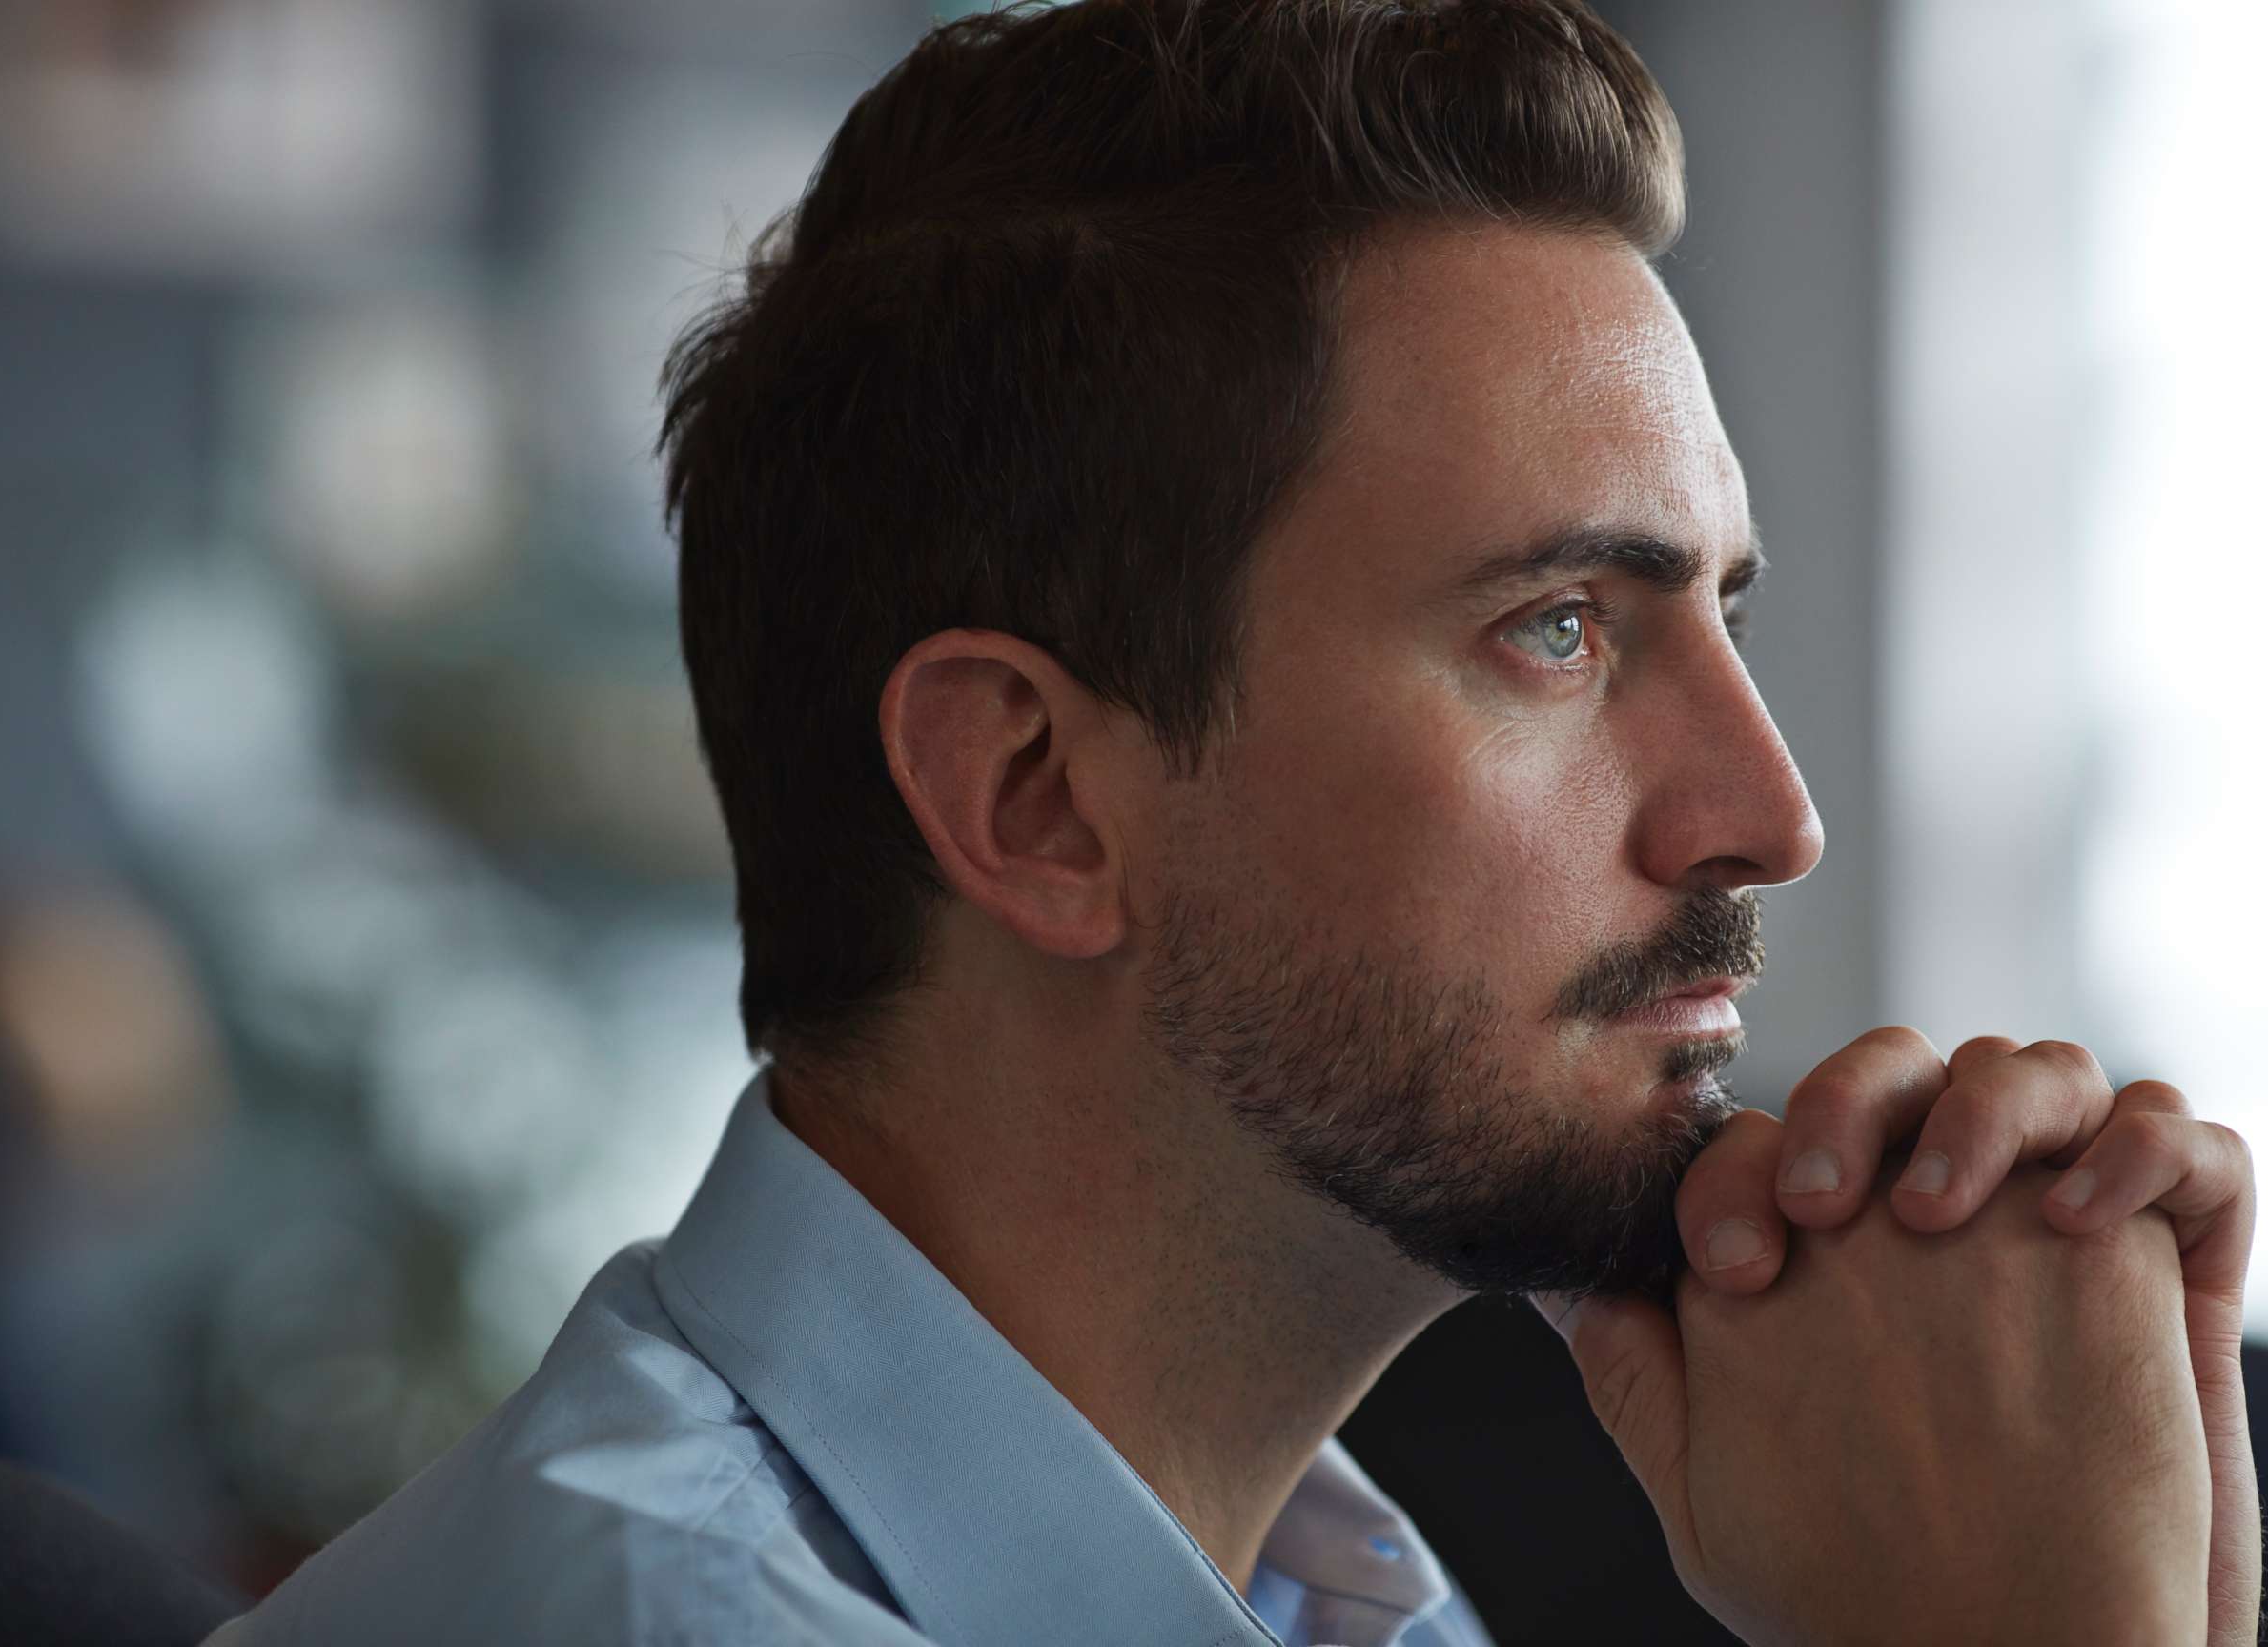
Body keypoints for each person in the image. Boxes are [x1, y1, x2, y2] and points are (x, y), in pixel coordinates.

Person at [204, 1, 2258, 1642]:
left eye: (1715, 618)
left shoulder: (1316, 1592)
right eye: (1558, 627)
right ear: (1036, 800)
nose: (1769, 814)